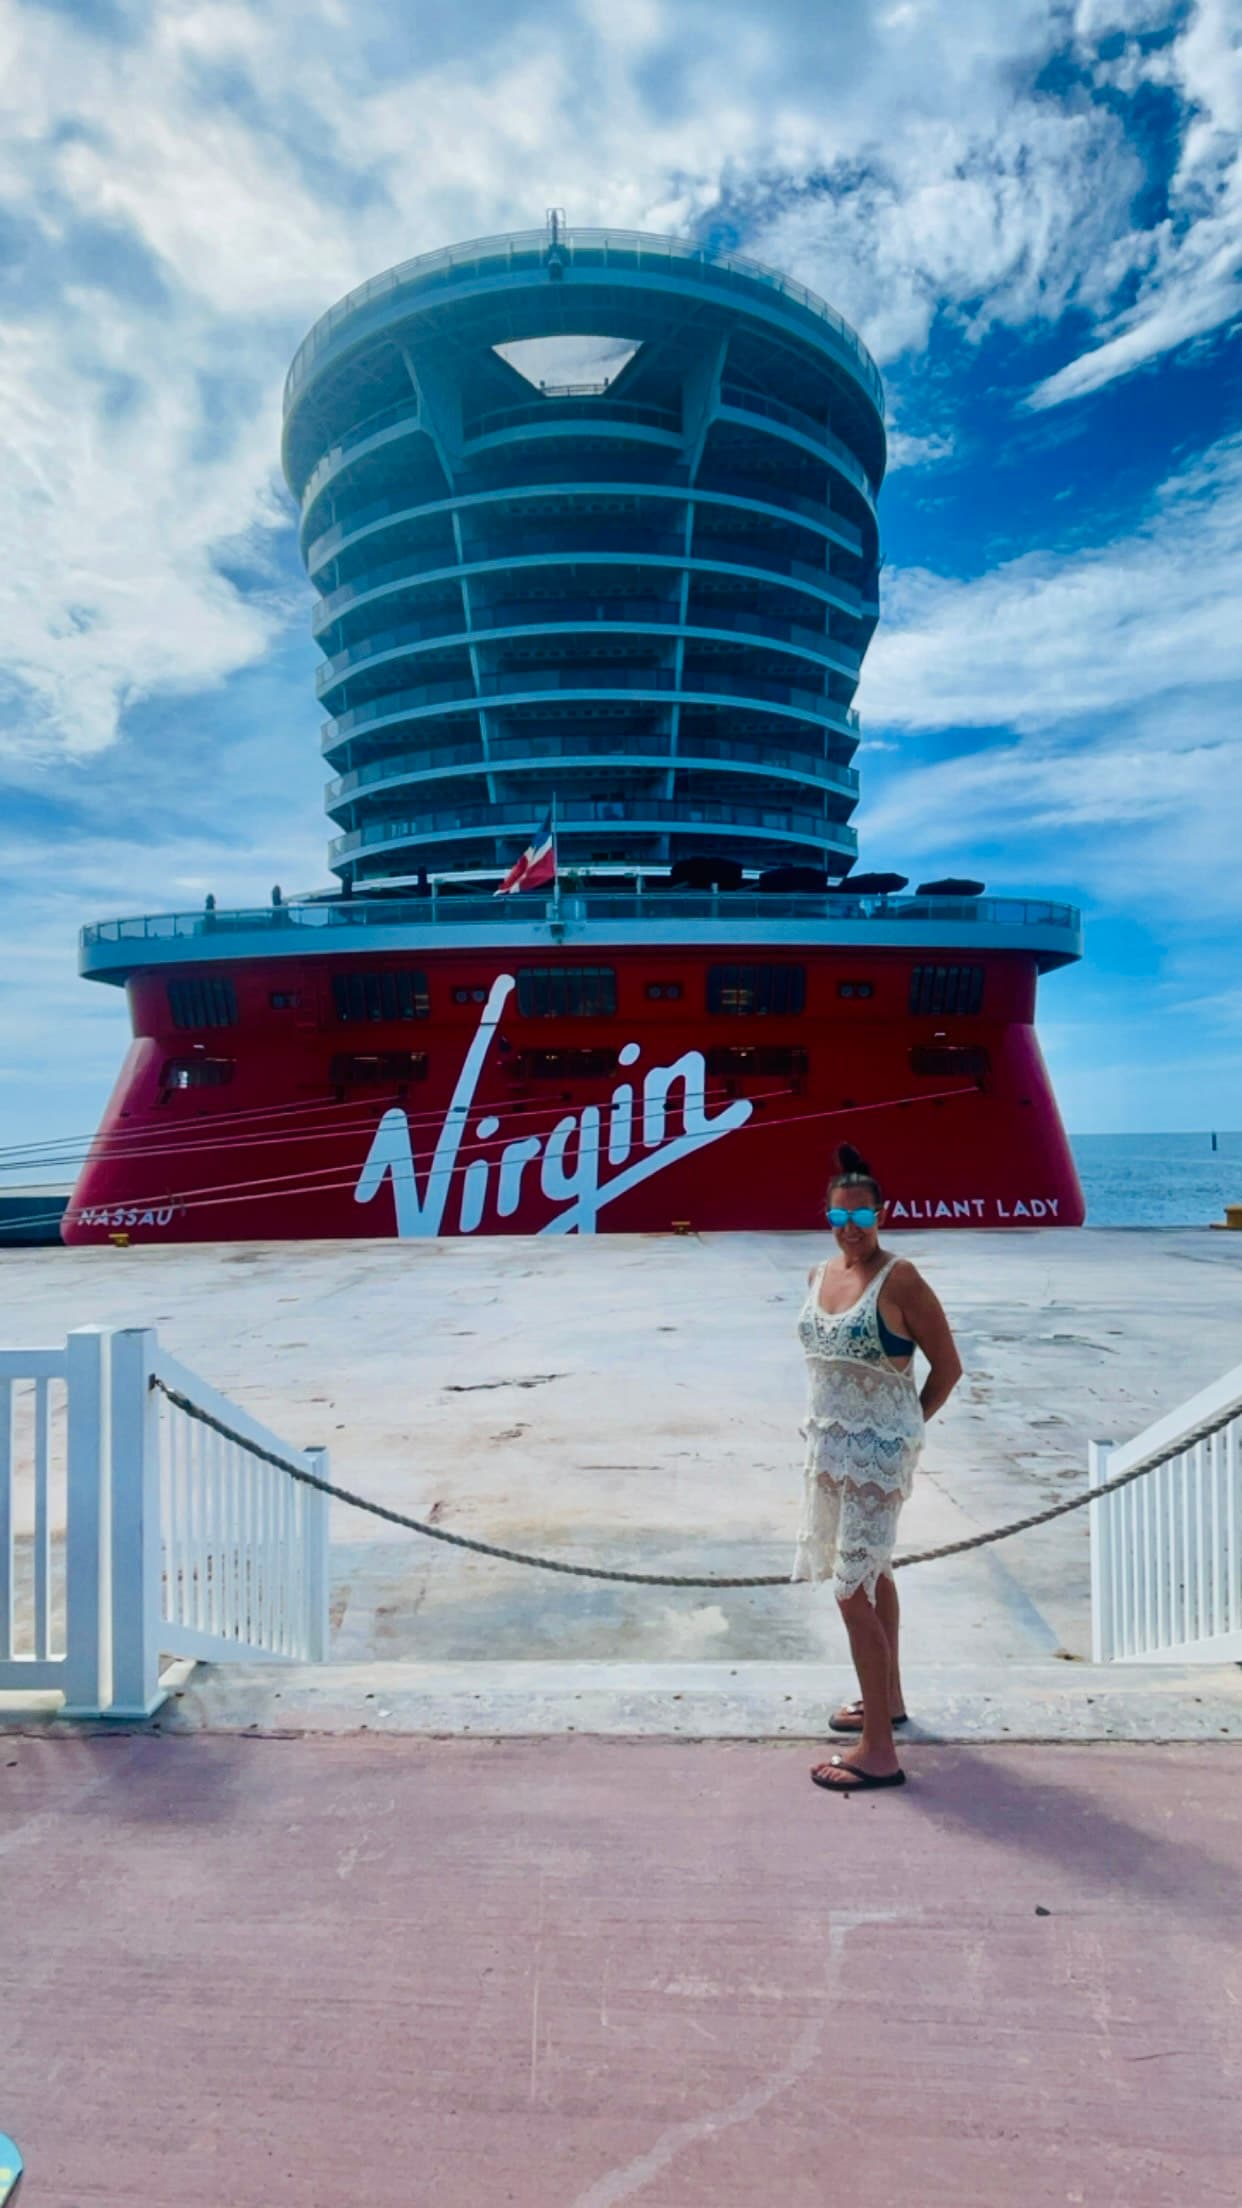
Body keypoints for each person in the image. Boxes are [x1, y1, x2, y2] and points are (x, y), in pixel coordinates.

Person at [793, 1142, 962, 1792]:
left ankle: (879, 1751)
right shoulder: (818, 1275)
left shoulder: (902, 1279)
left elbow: (947, 1368)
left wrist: (903, 1430)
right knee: (875, 1577)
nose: (851, 1231)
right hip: (830, 1452)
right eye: (839, 1219)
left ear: (881, 1215)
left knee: (850, 1590)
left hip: (878, 1456)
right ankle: (886, 1701)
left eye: (862, 1219)